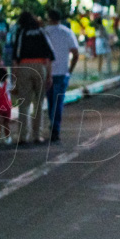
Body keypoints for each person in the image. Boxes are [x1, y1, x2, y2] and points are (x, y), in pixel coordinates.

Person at [11, 11, 55, 144]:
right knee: (39, 103)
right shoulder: (41, 32)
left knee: (24, 103)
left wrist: (15, 77)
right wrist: (49, 75)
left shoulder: (21, 33)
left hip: (24, 67)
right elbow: (49, 55)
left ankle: (23, 136)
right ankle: (37, 135)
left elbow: (15, 56)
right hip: (40, 66)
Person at [43, 8, 80, 143]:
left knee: (51, 101)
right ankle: (55, 128)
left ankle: (53, 125)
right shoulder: (66, 32)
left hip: (48, 72)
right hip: (62, 72)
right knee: (58, 102)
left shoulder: (45, 32)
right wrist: (70, 70)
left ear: (49, 18)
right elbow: (76, 53)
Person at [0, 66, 13, 144]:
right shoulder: (7, 84)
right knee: (6, 123)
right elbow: (11, 91)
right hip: (7, 105)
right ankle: (7, 138)